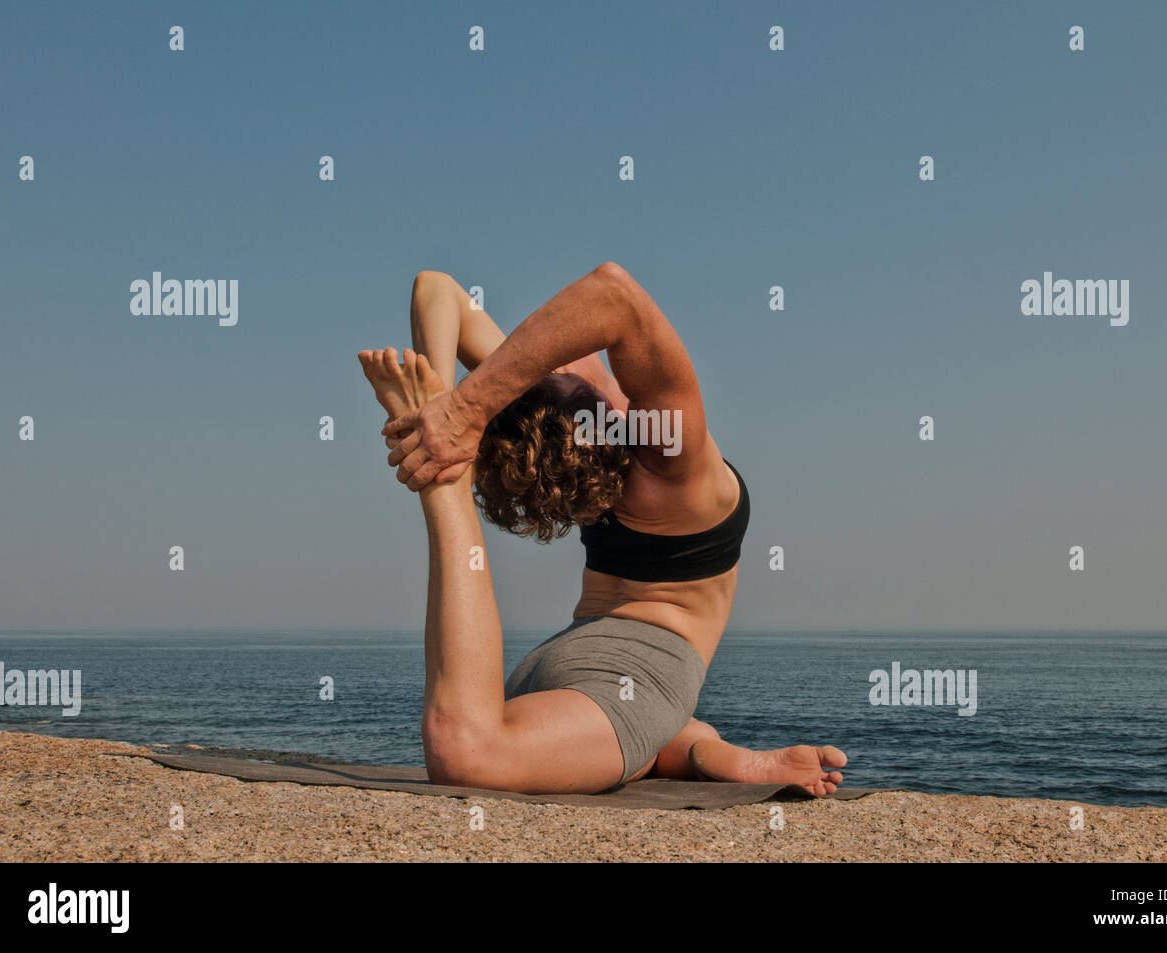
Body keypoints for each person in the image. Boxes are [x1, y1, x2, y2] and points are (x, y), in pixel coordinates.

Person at [358, 262, 845, 794]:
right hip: (639, 679)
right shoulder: (667, 457)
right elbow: (614, 297)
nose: (566, 358)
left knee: (644, 739)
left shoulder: (605, 432)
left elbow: (437, 288)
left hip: (562, 673)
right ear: (600, 417)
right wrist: (456, 429)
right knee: (469, 753)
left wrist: (446, 409)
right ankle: (445, 488)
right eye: (564, 377)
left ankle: (691, 746)